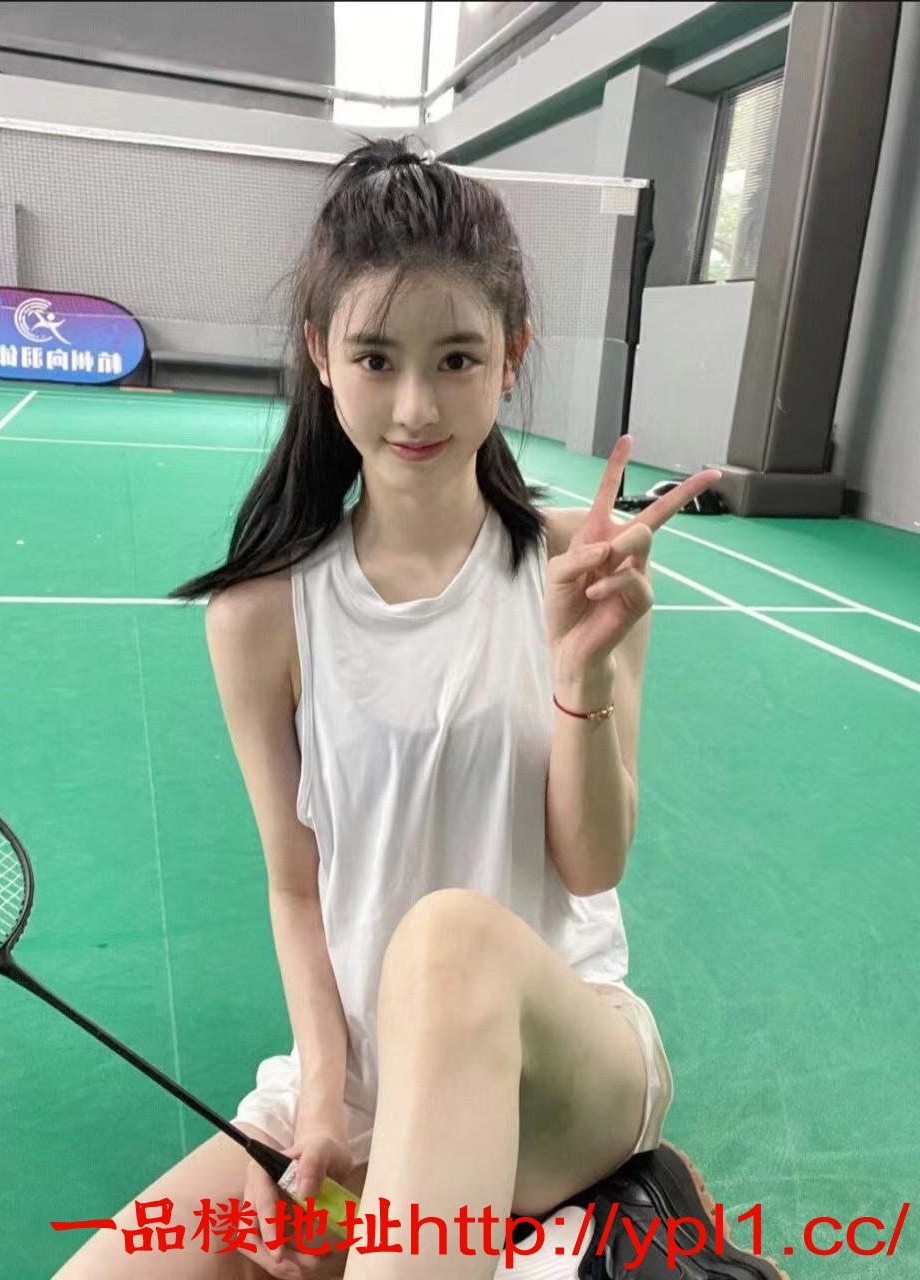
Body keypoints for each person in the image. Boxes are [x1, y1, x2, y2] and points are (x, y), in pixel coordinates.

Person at [53, 135, 785, 1279]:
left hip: (561, 1062)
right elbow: (295, 883)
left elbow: (590, 863)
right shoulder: (258, 617)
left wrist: (580, 671)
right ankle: (565, 1232)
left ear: (511, 355)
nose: (413, 403)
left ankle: (572, 1201)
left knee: (444, 935)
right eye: (375, 356)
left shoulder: (577, 565)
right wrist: (324, 1103)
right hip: (358, 1075)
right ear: (319, 352)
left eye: (455, 358)